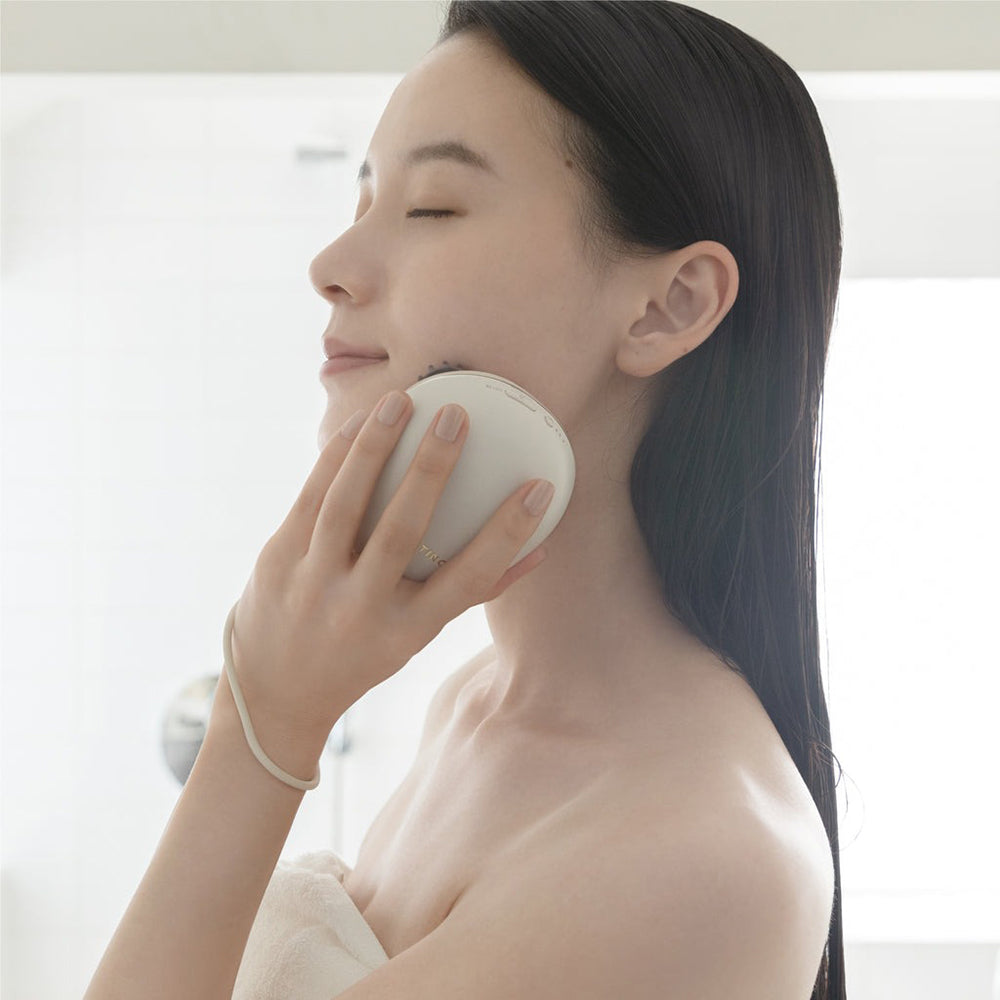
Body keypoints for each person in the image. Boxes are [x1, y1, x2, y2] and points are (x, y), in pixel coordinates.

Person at [83, 3, 846, 999]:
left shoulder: (701, 857)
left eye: (432, 208)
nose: (331, 268)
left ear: (671, 305)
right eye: (364, 200)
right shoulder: (473, 706)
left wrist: (260, 727)